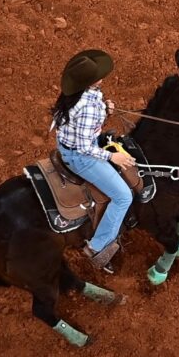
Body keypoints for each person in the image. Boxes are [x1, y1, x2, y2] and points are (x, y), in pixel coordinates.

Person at [51, 49, 136, 270]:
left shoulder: (77, 94)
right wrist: (112, 156)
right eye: (98, 74)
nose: (102, 76)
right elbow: (84, 147)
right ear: (90, 81)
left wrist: (105, 110)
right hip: (80, 157)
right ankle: (97, 247)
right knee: (123, 197)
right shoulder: (88, 106)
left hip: (67, 145)